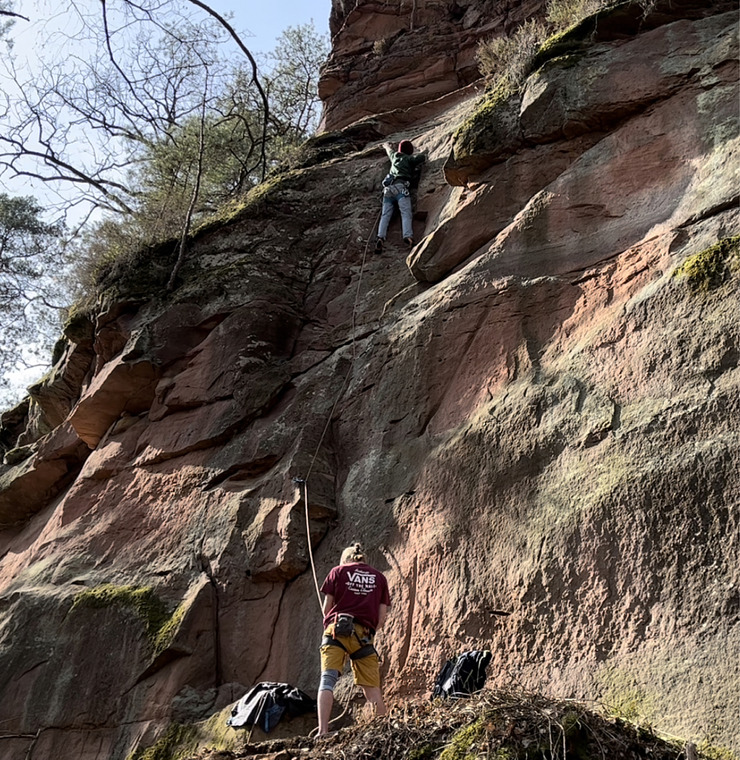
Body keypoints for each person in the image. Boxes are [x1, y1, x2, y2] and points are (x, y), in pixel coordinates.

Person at [316, 542, 391, 736]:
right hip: (364, 636)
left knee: (327, 680)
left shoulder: (337, 572)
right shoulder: (380, 578)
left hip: (336, 631)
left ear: (345, 560)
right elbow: (381, 618)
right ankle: (383, 731)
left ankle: (323, 730)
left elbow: (326, 609)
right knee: (372, 689)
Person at [375, 139, 426, 252]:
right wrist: (425, 152)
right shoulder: (408, 159)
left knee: (385, 215)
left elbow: (389, 150)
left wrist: (385, 145)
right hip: (401, 188)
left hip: (388, 190)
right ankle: (408, 236)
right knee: (405, 213)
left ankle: (380, 237)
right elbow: (420, 158)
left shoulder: (394, 156)